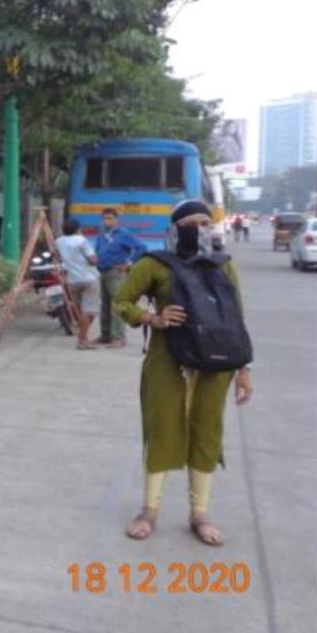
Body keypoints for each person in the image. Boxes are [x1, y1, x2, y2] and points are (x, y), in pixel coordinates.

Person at [113, 199, 254, 546]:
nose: (201, 229)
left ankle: (199, 515)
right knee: (162, 430)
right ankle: (149, 511)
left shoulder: (223, 267)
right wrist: (152, 318)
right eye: (193, 223)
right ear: (176, 229)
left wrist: (244, 369)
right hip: (168, 362)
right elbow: (122, 301)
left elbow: (236, 318)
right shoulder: (155, 264)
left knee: (207, 433)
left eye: (207, 223)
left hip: (215, 366)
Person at [93, 207, 147, 348]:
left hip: (116, 273)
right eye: (104, 218)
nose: (107, 221)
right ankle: (105, 335)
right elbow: (98, 250)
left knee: (117, 304)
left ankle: (118, 337)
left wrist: (129, 263)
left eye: (110, 218)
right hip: (103, 272)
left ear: (116, 219)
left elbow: (141, 247)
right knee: (104, 305)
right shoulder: (102, 234)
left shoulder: (124, 234)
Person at [53, 218, 101, 350]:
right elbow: (93, 260)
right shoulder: (81, 240)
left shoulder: (59, 241)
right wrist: (97, 259)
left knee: (80, 311)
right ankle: (82, 339)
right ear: (77, 229)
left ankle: (83, 338)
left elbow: (56, 256)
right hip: (89, 278)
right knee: (89, 311)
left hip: (72, 280)